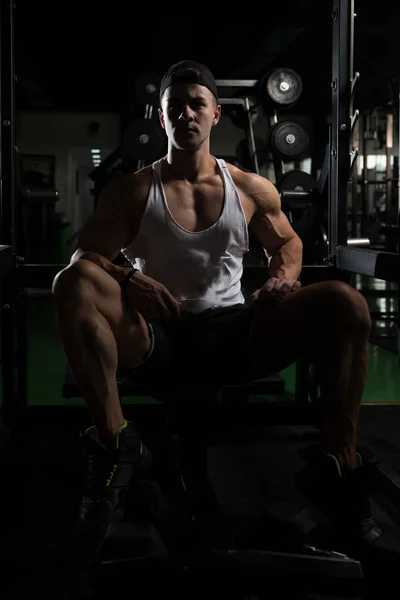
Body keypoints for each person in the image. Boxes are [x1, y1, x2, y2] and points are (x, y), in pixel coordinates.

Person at [52, 60, 383, 555]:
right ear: (160, 119)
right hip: (157, 335)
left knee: (346, 303)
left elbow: (288, 245)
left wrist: (282, 280)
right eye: (175, 107)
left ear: (215, 114)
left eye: (196, 104)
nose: (186, 114)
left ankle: (340, 468)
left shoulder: (250, 188)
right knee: (72, 281)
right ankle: (118, 445)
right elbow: (87, 256)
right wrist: (128, 277)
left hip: (233, 334)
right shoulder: (134, 190)